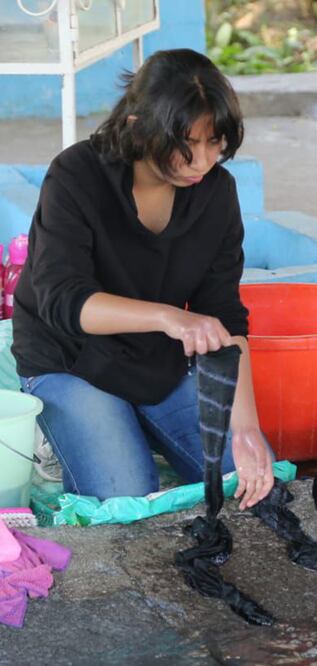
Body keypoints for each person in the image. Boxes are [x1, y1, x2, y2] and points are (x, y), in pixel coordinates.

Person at [11, 49, 274, 509]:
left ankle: (134, 418)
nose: (203, 162)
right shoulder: (76, 175)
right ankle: (80, 428)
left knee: (247, 477)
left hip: (156, 360)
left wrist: (245, 428)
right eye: (187, 144)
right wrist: (170, 318)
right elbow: (63, 301)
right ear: (138, 126)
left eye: (215, 143)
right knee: (125, 496)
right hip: (69, 358)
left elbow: (226, 313)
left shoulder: (217, 194)